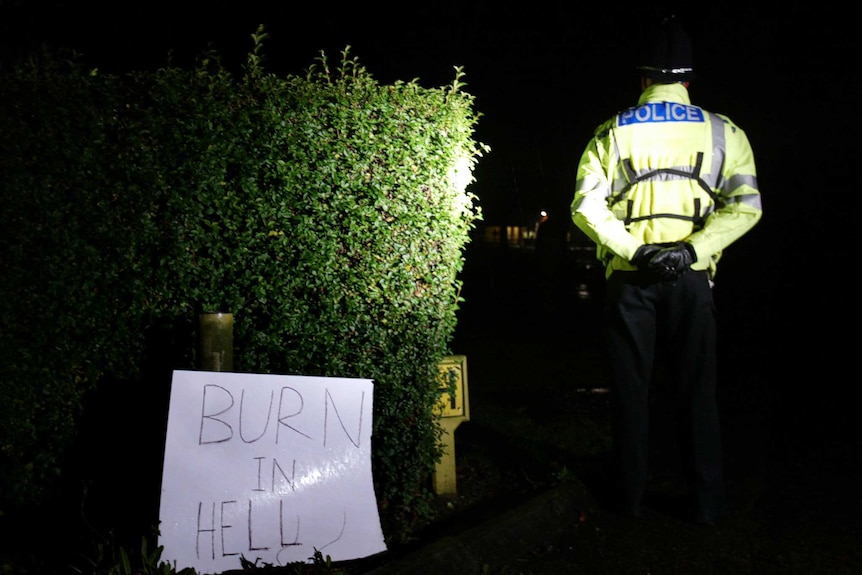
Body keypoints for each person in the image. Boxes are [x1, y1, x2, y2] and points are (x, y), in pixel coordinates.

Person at [569, 15, 762, 525]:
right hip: (692, 281)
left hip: (632, 281)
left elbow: (586, 209)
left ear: (643, 79)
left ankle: (629, 501)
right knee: (698, 391)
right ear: (688, 81)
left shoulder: (611, 131)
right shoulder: (725, 131)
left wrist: (638, 252)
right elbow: (746, 206)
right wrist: (691, 252)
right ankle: (708, 504)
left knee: (631, 392)